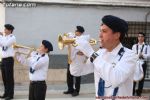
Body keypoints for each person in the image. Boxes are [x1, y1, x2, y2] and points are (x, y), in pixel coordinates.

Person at [75, 15, 138, 99]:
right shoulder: (99, 53)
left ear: (116, 35)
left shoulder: (130, 55)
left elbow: (116, 80)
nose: (100, 35)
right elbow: (77, 72)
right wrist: (77, 54)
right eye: (100, 31)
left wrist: (90, 53)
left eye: (104, 31)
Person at [63, 26, 89, 97]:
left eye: (76, 31)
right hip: (71, 59)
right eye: (75, 30)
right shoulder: (73, 38)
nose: (75, 32)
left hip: (78, 60)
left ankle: (77, 90)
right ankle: (70, 89)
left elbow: (86, 49)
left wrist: (83, 52)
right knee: (69, 74)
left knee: (77, 75)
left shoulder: (84, 40)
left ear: (80, 32)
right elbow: (67, 45)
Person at [0, 24, 16, 100]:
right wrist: (1, 37)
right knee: (4, 78)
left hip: (9, 59)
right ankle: (6, 93)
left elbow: (5, 44)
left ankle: (10, 94)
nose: (4, 30)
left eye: (5, 29)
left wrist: (0, 36)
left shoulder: (12, 37)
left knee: (9, 78)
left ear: (9, 30)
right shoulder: (4, 37)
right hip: (3, 59)